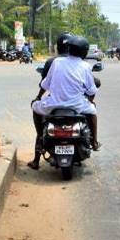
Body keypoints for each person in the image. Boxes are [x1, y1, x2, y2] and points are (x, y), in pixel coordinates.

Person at [28, 35, 100, 169]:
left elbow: (45, 85)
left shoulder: (56, 62)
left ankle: (40, 136)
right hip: (77, 106)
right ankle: (94, 141)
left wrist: (38, 98)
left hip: (53, 105)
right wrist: (90, 101)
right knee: (93, 111)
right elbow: (92, 90)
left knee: (35, 107)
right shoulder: (85, 66)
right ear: (84, 51)